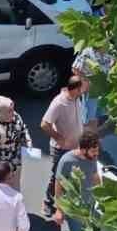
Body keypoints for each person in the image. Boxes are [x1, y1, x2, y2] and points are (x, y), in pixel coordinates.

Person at [52, 129, 102, 231]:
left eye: (97, 151)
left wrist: (103, 196)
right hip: (74, 209)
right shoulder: (67, 160)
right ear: (83, 148)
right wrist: (59, 210)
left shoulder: (91, 157)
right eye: (94, 151)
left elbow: (95, 177)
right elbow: (59, 185)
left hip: (89, 206)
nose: (96, 154)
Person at [41, 75, 85, 215]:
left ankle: (65, 202)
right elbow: (44, 124)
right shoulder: (59, 103)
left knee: (72, 175)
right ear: (76, 89)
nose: (83, 92)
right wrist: (58, 137)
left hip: (75, 146)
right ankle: (47, 202)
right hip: (60, 149)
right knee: (57, 176)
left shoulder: (76, 98)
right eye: (81, 89)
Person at [0, 96, 32, 189]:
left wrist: (28, 141)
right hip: (0, 164)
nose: (13, 113)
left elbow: (23, 129)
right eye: (9, 111)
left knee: (15, 187)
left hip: (15, 160)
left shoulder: (15, 116)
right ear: (1, 112)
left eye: (13, 109)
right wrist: (2, 165)